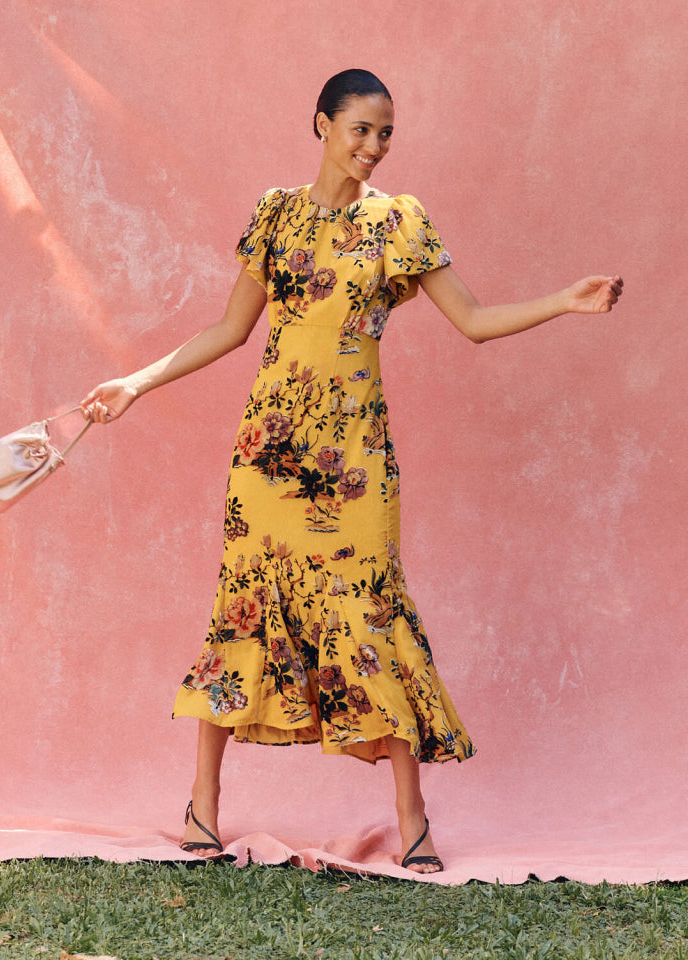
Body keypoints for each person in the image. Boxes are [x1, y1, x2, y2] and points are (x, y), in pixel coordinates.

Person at [81, 69, 623, 874]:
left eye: (386, 133)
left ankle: (412, 820)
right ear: (322, 125)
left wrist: (563, 302)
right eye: (361, 129)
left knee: (372, 612)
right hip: (269, 454)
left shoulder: (399, 223)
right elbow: (229, 330)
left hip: (356, 461)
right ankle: (201, 806)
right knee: (243, 612)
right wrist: (134, 382)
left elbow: (473, 320)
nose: (374, 146)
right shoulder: (276, 213)